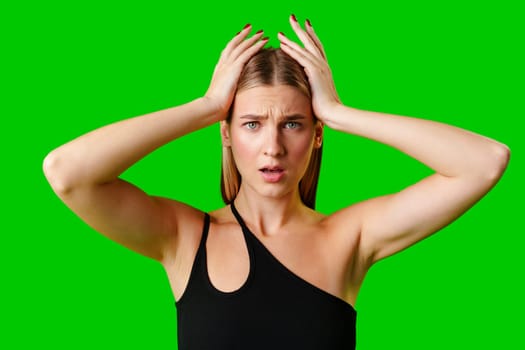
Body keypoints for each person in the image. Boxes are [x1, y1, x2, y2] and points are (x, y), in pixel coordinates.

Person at [42, 14, 510, 350]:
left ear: (316, 135)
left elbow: (485, 161)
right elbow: (66, 172)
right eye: (250, 124)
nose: (272, 147)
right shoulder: (185, 237)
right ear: (226, 134)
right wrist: (206, 106)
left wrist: (339, 112)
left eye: (293, 124)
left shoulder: (348, 237)